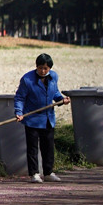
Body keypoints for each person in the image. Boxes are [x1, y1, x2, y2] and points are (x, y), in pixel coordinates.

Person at [14, 52, 70, 184]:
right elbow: (20, 97)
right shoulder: (27, 79)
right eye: (40, 68)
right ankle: (34, 173)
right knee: (32, 148)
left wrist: (61, 100)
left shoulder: (54, 77)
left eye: (45, 68)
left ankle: (48, 172)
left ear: (50, 68)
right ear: (36, 67)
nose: (43, 71)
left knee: (48, 147)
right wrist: (19, 112)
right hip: (32, 119)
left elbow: (55, 92)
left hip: (48, 118)